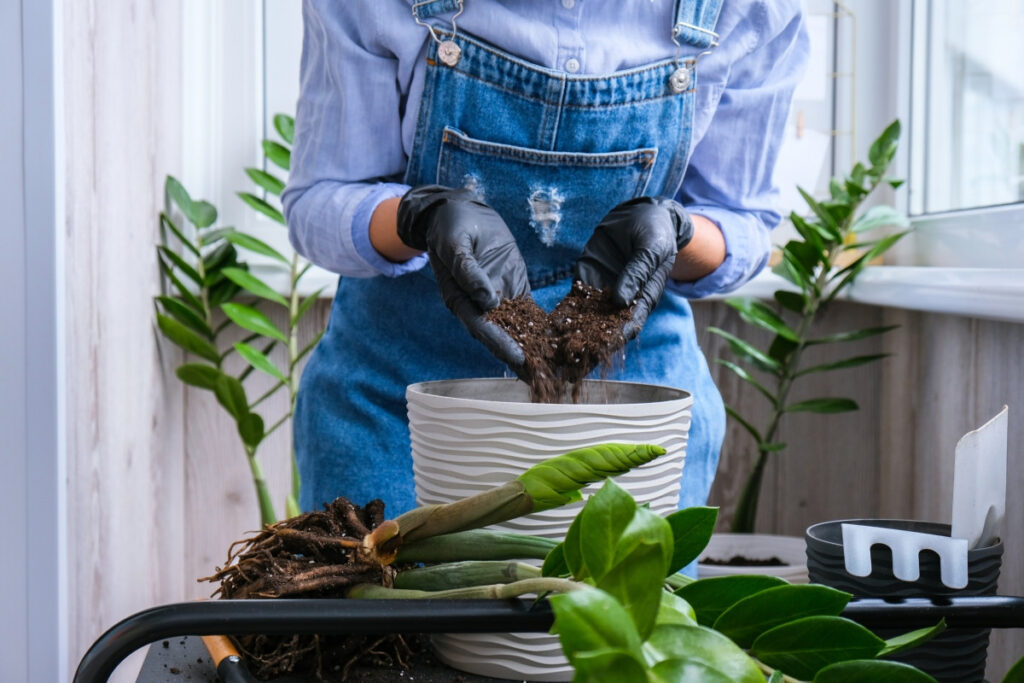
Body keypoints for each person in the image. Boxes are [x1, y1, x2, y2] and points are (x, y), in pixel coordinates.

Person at [284, 0, 809, 517]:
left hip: (628, 416)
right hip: (395, 410)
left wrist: (677, 232)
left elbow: (742, 218)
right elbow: (319, 197)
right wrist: (418, 218)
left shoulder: (747, 9)